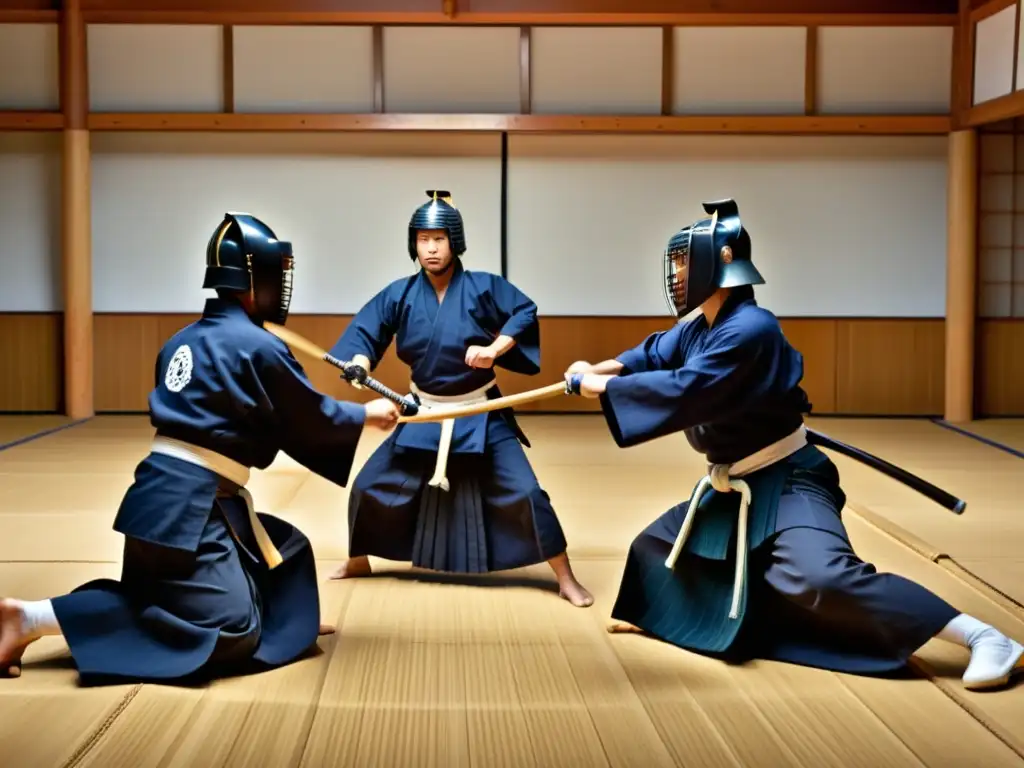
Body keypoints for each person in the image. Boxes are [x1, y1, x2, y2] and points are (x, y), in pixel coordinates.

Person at [564, 198, 1023, 691]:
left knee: (820, 578)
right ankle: (669, 615)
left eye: (682, 263)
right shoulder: (700, 327)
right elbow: (650, 353)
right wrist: (599, 368)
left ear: (716, 263)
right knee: (654, 547)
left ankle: (983, 637)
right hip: (735, 480)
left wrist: (601, 388)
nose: (675, 274)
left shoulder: (751, 330)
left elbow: (688, 390)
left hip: (788, 480)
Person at [0, 212, 401, 684]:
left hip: (159, 503)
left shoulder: (181, 341)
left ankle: (286, 625)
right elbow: (302, 415)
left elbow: (250, 420)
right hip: (193, 509)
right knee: (230, 630)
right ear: (259, 279)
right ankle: (32, 618)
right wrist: (364, 416)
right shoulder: (257, 346)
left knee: (286, 549)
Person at [327, 190, 592, 607]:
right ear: (412, 243)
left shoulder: (484, 287)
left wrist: (496, 348)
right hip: (423, 411)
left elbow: (524, 311)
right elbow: (367, 330)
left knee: (525, 492)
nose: (430, 248)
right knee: (367, 486)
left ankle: (564, 576)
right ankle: (358, 559)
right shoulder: (399, 294)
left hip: (479, 410)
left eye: (439, 239)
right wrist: (360, 360)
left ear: (455, 241)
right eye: (422, 239)